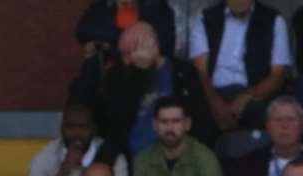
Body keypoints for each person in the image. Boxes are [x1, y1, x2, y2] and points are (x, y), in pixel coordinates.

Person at [89, 22, 212, 161]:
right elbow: (114, 122)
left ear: (153, 46)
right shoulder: (119, 75)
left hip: (176, 162)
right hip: (130, 161)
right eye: (122, 54)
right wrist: (138, 75)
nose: (125, 60)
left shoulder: (182, 73)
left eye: (129, 53)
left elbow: (202, 122)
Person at [190, 0, 294, 133]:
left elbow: (278, 75)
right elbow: (201, 72)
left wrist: (247, 96)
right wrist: (215, 103)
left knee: (271, 115)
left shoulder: (274, 20)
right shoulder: (206, 18)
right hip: (213, 92)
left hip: (254, 93)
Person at [74, 0, 176, 67]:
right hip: (106, 83)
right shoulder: (102, 7)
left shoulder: (158, 8)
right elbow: (83, 30)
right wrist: (131, 37)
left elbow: (163, 43)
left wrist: (107, 46)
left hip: (148, 84)